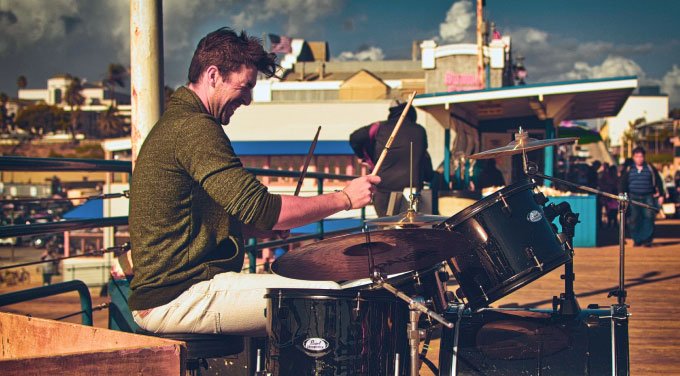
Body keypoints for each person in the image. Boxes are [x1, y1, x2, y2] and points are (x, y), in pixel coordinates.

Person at [128, 28, 380, 336]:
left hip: (177, 289)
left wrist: (250, 230)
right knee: (327, 297)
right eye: (246, 86)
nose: (248, 100)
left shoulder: (180, 122)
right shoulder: (194, 128)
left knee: (315, 296)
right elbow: (262, 208)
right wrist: (345, 199)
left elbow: (193, 220)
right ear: (213, 75)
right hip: (177, 295)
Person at [349, 99, 433, 217]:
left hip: (383, 189)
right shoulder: (420, 131)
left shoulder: (379, 127)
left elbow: (355, 137)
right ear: (412, 113)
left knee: (387, 229)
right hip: (411, 190)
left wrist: (364, 157)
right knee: (409, 229)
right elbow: (424, 159)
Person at [619, 147, 666, 247]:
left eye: (641, 156)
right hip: (633, 197)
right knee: (634, 219)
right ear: (633, 157)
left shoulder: (650, 168)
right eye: (637, 156)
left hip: (648, 196)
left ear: (644, 157)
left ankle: (647, 240)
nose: (639, 158)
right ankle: (637, 239)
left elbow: (658, 181)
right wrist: (621, 193)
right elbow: (622, 183)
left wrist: (661, 195)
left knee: (648, 217)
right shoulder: (629, 169)